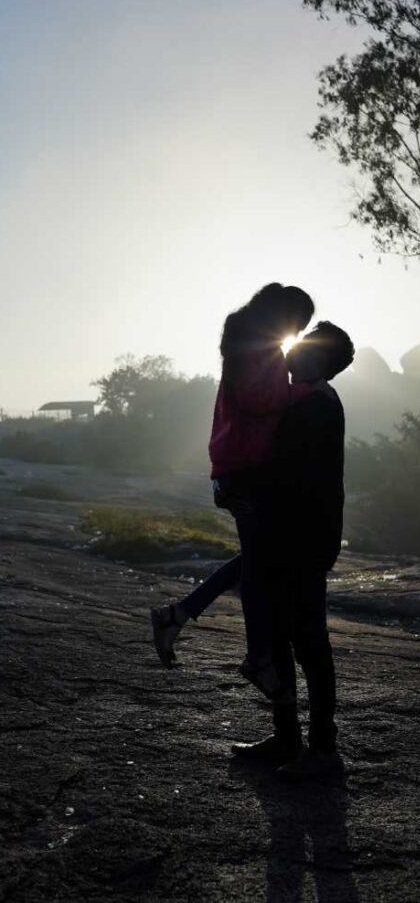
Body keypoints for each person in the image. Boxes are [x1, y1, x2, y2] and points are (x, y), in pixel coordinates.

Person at [151, 282, 315, 697]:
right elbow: (258, 399)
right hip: (247, 469)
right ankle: (256, 657)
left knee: (258, 559)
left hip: (242, 466)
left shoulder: (248, 339)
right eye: (299, 324)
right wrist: (304, 391)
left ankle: (177, 616)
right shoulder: (255, 344)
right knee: (258, 566)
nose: (297, 333)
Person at [231, 321, 354, 779]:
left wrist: (242, 486)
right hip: (291, 536)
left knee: (308, 642)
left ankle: (322, 748)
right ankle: (287, 737)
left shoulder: (315, 405)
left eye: (305, 344)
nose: (293, 349)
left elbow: (286, 471)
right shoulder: (306, 399)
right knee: (281, 637)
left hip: (303, 539)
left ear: (319, 359)